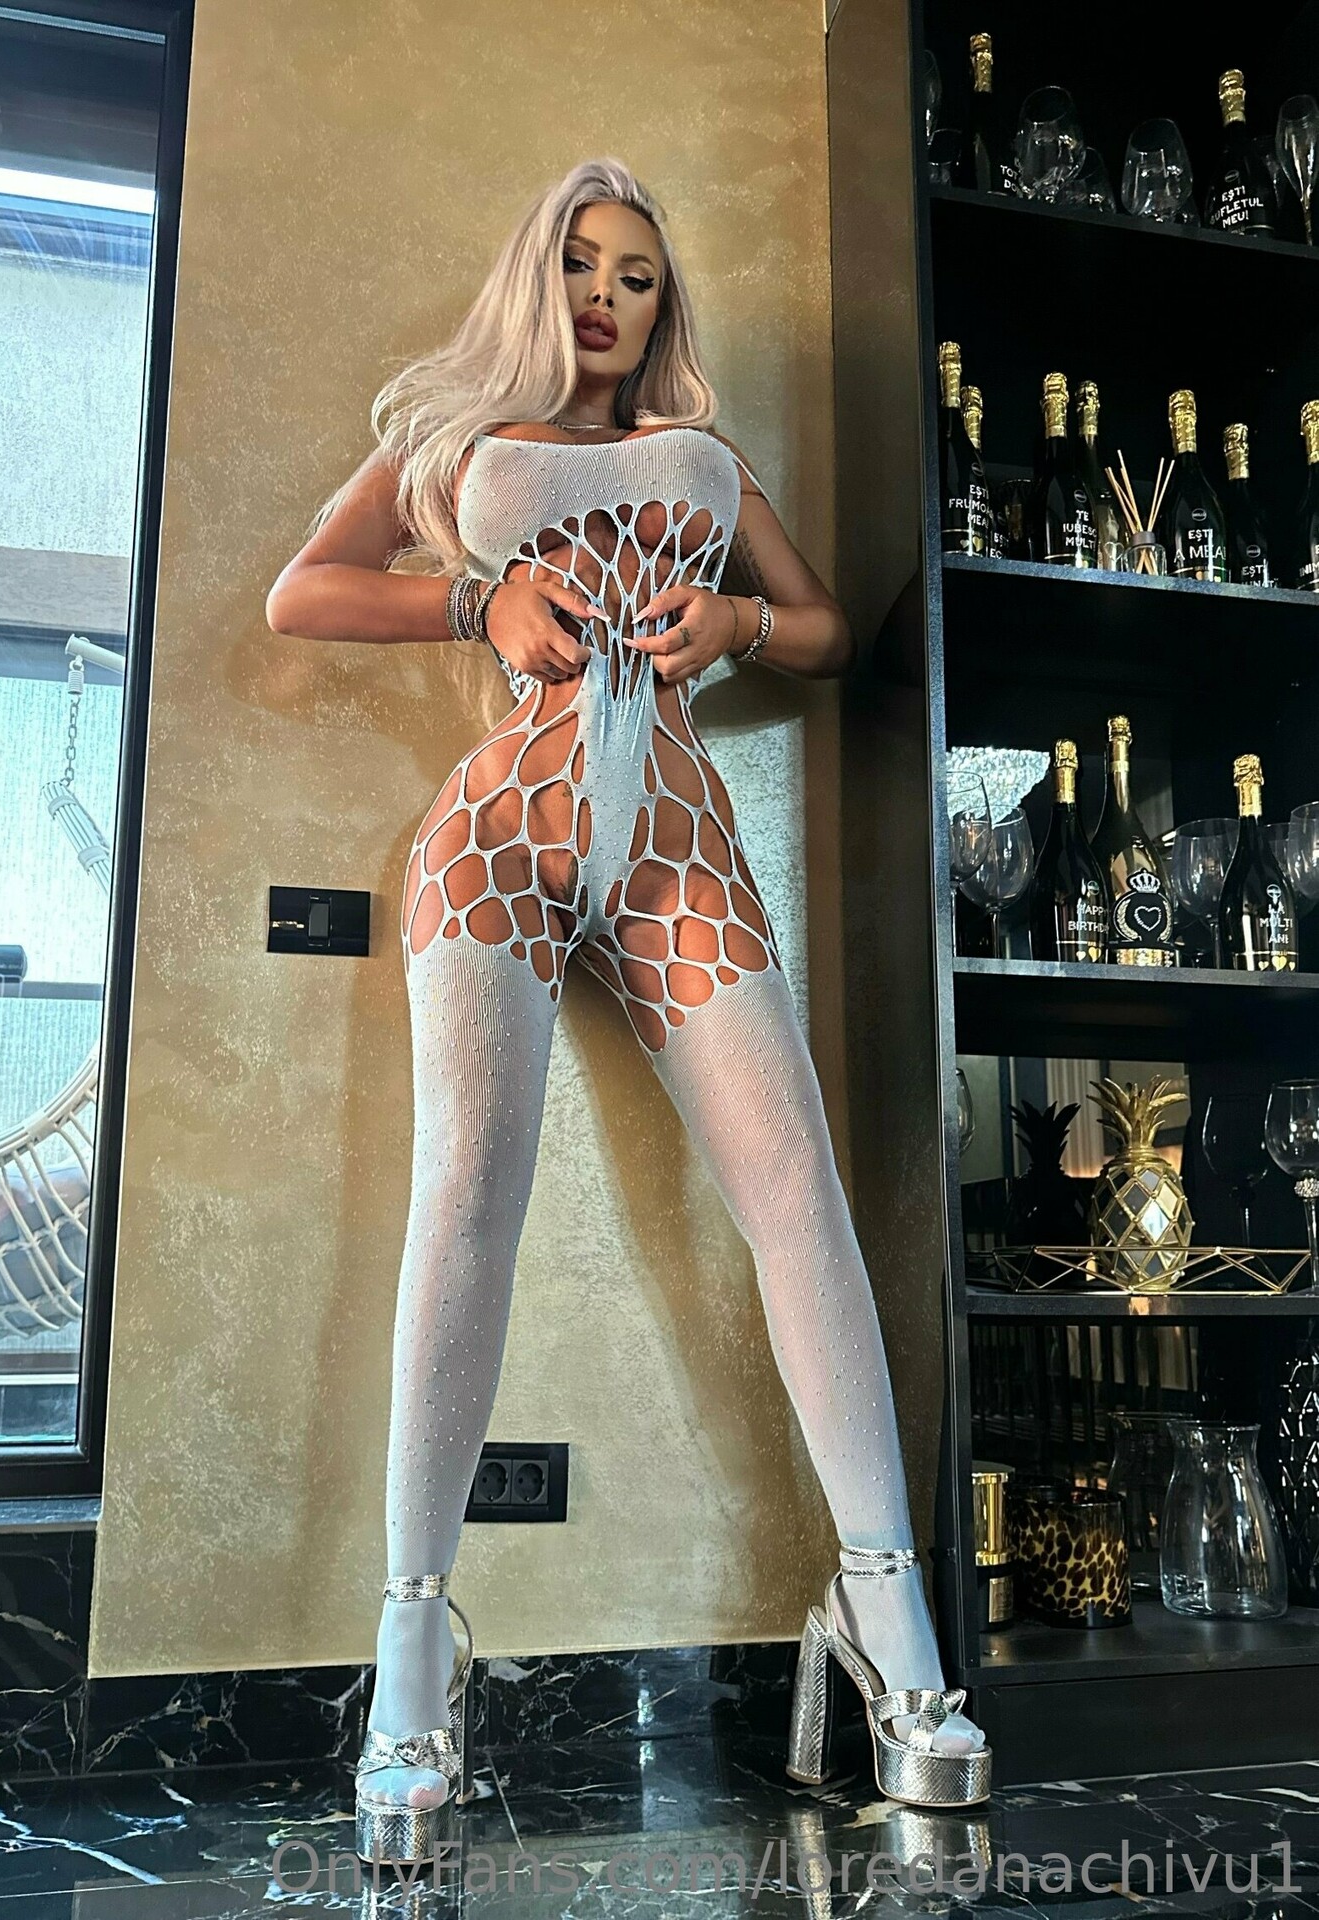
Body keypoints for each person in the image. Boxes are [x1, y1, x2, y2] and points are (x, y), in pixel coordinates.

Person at [266, 157, 990, 1862]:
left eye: (639, 274)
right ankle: (413, 1656)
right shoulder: (457, 437)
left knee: (796, 1193)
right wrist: (474, 598)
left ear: (666, 304)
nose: (606, 295)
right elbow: (304, 590)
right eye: (584, 264)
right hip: (496, 833)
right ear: (542, 274)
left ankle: (884, 1614)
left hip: (672, 836)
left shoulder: (703, 457)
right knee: (465, 1197)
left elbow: (821, 629)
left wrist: (735, 618)